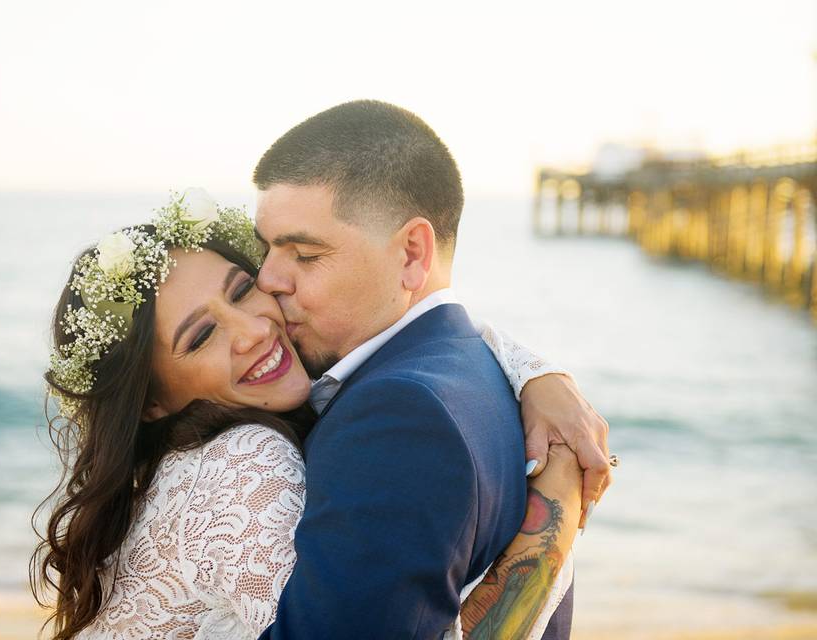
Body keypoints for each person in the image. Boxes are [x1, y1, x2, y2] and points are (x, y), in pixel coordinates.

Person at [31, 193, 594, 639]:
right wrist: (559, 496)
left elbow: (409, 329)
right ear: (152, 402)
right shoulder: (240, 463)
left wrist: (539, 376)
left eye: (244, 290)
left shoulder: (191, 454)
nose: (253, 329)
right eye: (202, 336)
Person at [250, 100, 607, 639]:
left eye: (303, 254)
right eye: (267, 249)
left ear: (413, 253)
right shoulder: (477, 368)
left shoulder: (398, 418)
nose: (267, 279)